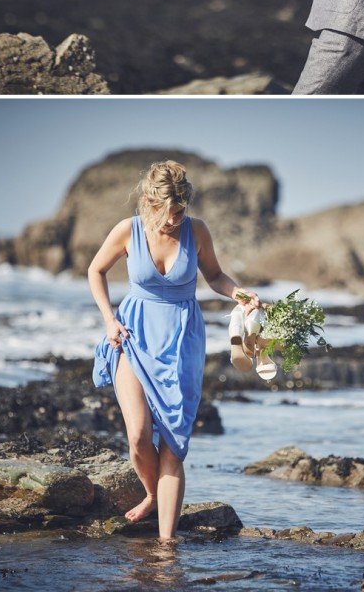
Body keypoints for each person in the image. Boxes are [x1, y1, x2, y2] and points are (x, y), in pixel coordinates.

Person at [88, 159, 261, 541]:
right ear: (148, 202)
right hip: (132, 337)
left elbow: (214, 276)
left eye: (179, 212)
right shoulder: (127, 230)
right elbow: (95, 270)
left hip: (182, 341)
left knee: (172, 446)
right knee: (137, 436)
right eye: (165, 213)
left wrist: (242, 294)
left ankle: (167, 545)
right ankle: (152, 493)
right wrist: (108, 319)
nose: (171, 220)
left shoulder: (196, 231)